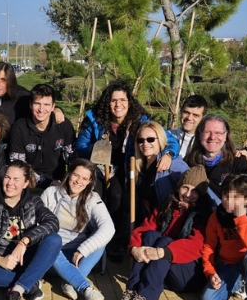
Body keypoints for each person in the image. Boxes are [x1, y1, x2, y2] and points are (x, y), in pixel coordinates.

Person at [75, 80, 180, 243]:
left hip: (128, 170)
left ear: (129, 103)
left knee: (118, 198)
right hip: (100, 169)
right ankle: (92, 235)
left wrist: (168, 154)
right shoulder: (96, 120)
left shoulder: (140, 121)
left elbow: (170, 140)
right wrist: (98, 147)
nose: (118, 104)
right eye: (114, 100)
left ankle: (115, 238)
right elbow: (80, 145)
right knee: (95, 195)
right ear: (107, 103)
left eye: (122, 100)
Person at [116, 166, 212, 300]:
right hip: (161, 268)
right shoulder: (167, 204)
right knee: (150, 235)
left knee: (165, 241)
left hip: (187, 275)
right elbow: (146, 226)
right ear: (179, 187)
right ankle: (132, 291)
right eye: (185, 188)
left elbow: (196, 245)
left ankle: (145, 299)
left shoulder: (204, 214)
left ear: (201, 194)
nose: (188, 194)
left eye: (194, 191)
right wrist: (134, 248)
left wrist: (162, 251)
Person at [0, 161, 61, 300]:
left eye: (16, 179)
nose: (10, 183)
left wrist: (25, 241)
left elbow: (53, 222)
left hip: (25, 259)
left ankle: (16, 291)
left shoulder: (34, 202)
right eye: (7, 177)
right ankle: (28, 282)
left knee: (54, 240)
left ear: (26, 183)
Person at [41, 159, 114, 300]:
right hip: (53, 259)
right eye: (76, 175)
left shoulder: (93, 199)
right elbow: (39, 226)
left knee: (100, 240)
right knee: (49, 241)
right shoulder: (50, 193)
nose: (78, 181)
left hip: (78, 258)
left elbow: (108, 228)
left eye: (84, 178)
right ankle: (86, 288)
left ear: (90, 182)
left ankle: (70, 281)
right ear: (69, 174)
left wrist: (83, 249)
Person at [9, 84, 75, 188]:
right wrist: (46, 183)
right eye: (37, 104)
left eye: (46, 105)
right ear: (30, 105)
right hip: (28, 181)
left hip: (60, 180)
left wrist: (69, 181)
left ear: (53, 106)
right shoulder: (19, 128)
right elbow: (18, 164)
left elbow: (72, 158)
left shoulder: (64, 125)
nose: (41, 109)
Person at [186, 114, 247, 204]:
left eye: (218, 133)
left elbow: (245, 199)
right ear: (200, 135)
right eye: (207, 132)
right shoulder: (189, 162)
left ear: (226, 136)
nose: (212, 137)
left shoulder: (239, 162)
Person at [134, 121, 189, 222]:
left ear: (161, 140)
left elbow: (194, 185)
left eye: (150, 140)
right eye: (141, 140)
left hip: (167, 223)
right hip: (148, 222)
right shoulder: (139, 167)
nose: (145, 144)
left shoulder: (172, 163)